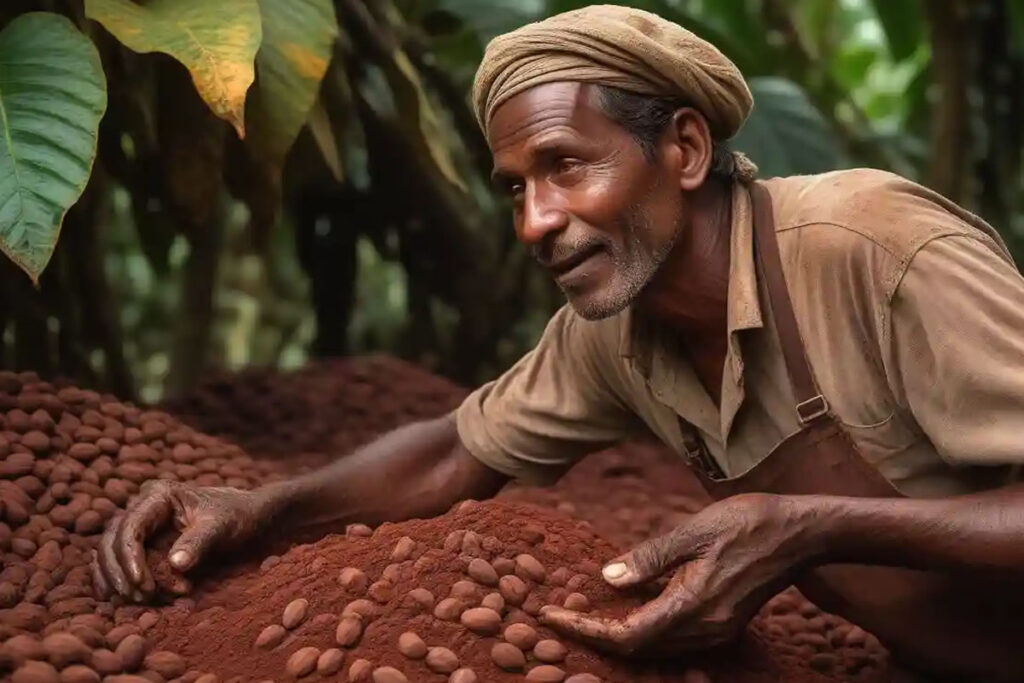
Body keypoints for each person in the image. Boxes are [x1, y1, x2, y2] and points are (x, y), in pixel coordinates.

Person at [92, 5, 1024, 681]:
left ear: (686, 150)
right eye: (514, 187)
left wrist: (811, 525)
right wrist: (262, 509)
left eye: (567, 166)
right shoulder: (611, 327)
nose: (536, 221)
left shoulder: (874, 249)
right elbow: (456, 450)